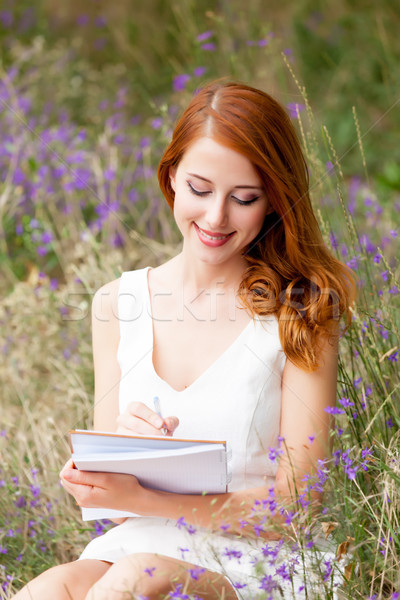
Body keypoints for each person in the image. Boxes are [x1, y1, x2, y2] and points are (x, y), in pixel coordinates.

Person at [14, 80, 356, 600]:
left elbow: (296, 502)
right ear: (171, 177)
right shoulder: (117, 303)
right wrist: (91, 474)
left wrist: (150, 500)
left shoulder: (303, 310)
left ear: (273, 202)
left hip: (262, 561)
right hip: (142, 541)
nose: (216, 218)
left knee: (139, 577)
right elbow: (115, 498)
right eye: (200, 189)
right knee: (51, 588)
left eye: (244, 198)